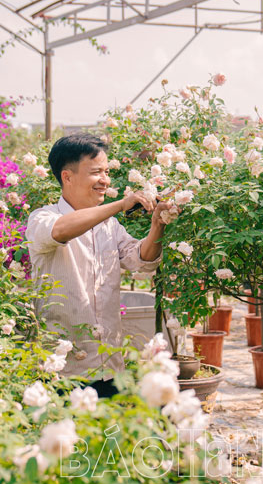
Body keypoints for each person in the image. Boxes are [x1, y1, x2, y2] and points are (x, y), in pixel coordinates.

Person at [25, 133, 173, 397]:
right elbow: (60, 231)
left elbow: (142, 260)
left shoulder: (109, 226)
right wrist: (121, 205)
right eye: (96, 172)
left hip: (109, 365)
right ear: (67, 177)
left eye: (106, 172)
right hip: (63, 371)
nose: (105, 180)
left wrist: (157, 226)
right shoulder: (43, 218)